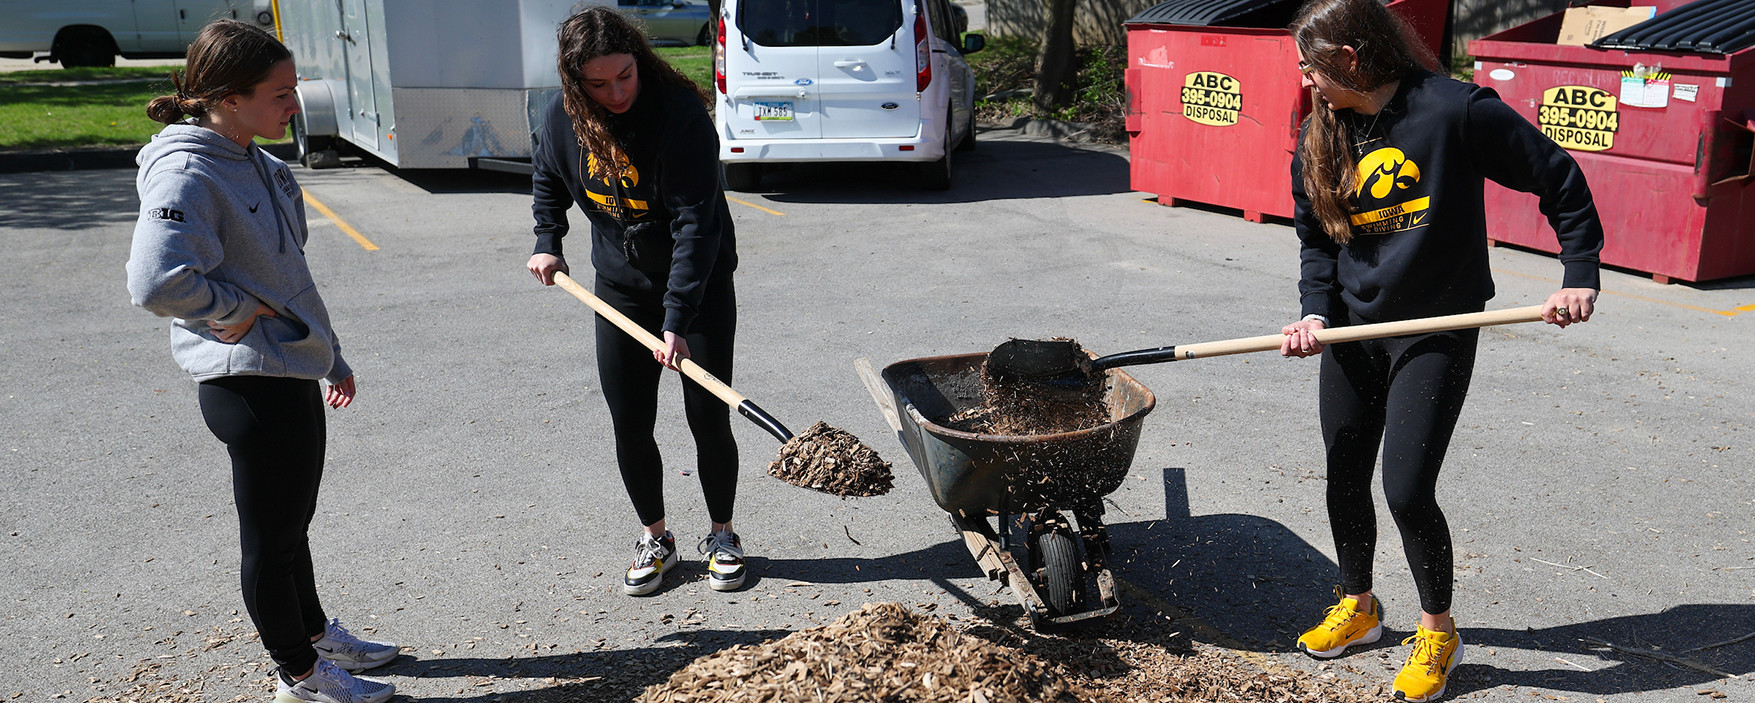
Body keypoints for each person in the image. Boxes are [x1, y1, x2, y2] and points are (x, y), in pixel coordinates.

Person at [1279, 0, 1603, 700]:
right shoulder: (1319, 131)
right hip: (1350, 329)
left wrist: (1578, 272)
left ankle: (1437, 631)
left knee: (1404, 487)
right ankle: (1359, 606)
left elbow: (1559, 178)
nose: (1304, 77)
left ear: (1350, 58)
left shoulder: (1455, 111)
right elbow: (1314, 242)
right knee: (1342, 473)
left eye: (1310, 63)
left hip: (1435, 327)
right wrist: (1312, 313)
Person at [126, 19, 398, 703]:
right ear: (227, 95)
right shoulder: (186, 170)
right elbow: (155, 281)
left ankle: (313, 635)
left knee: (290, 523)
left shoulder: (257, 158)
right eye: (280, 93)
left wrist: (328, 354)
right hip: (245, 378)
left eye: (294, 90)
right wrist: (232, 313)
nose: (294, 105)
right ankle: (300, 676)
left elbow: (286, 277)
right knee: (270, 540)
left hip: (287, 366)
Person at [526, 7, 746, 597]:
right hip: (619, 291)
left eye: (624, 75)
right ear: (576, 82)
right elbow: (547, 172)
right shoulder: (562, 115)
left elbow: (696, 227)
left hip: (696, 291)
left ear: (638, 61)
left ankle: (722, 534)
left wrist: (677, 319)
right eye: (598, 84)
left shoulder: (678, 115)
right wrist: (549, 241)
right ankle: (657, 538)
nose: (616, 92)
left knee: (708, 416)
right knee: (631, 419)